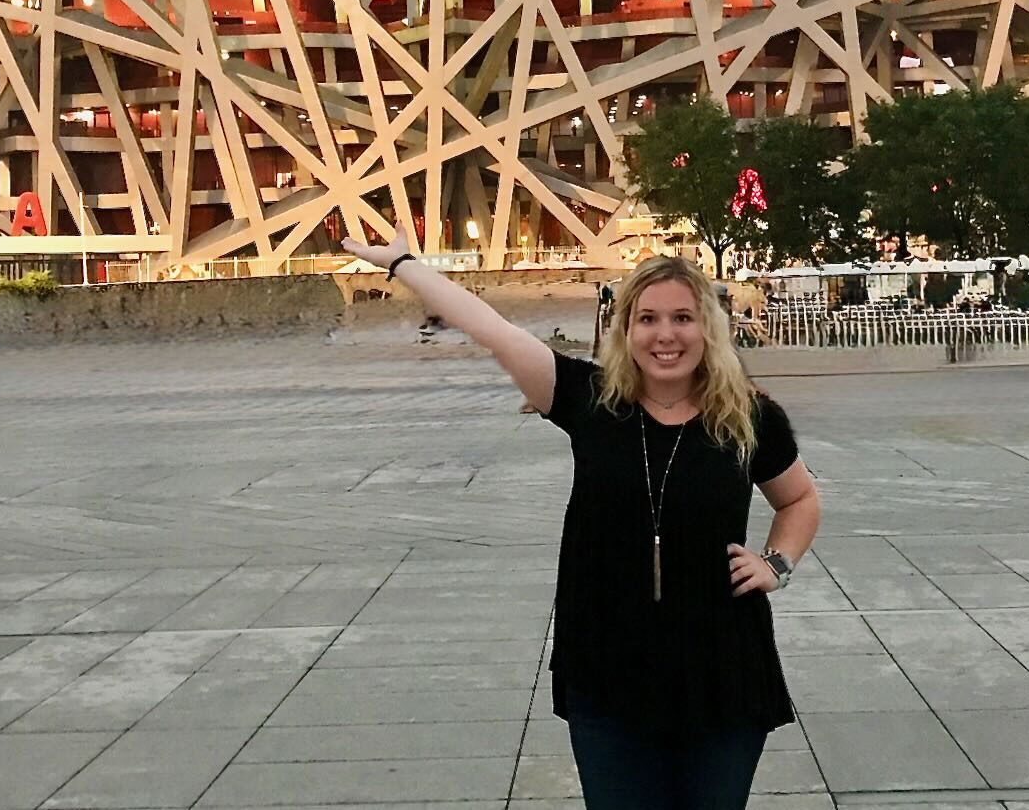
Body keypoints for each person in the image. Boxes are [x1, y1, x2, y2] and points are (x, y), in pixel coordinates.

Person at [341, 238, 821, 810]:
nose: (665, 335)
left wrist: (776, 565)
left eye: (682, 318)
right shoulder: (590, 400)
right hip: (607, 666)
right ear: (625, 329)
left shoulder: (748, 416)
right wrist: (404, 265)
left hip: (720, 668)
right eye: (647, 319)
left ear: (708, 329)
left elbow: (800, 500)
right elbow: (492, 328)